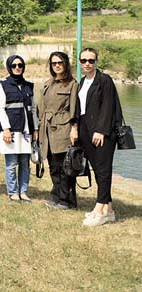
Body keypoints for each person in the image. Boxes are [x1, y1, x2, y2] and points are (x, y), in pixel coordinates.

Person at [77, 48, 120, 226]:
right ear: (79, 62)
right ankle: (109, 210)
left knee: (103, 170)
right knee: (98, 169)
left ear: (96, 62)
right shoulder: (82, 81)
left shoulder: (104, 80)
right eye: (84, 60)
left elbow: (109, 106)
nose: (87, 63)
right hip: (85, 130)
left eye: (91, 60)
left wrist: (101, 130)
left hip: (102, 132)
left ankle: (99, 210)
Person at [36, 51, 79, 210]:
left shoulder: (72, 84)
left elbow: (74, 109)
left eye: (60, 63)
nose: (57, 66)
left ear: (66, 64)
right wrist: (38, 129)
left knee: (65, 167)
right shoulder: (48, 83)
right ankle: (56, 197)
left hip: (63, 129)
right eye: (54, 63)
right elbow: (40, 108)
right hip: (46, 131)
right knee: (53, 166)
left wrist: (74, 128)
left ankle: (66, 201)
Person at [0, 55, 38, 203]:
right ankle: (13, 192)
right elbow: (0, 108)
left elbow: (33, 109)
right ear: (9, 67)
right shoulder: (3, 85)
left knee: (25, 164)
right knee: (11, 164)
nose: (17, 68)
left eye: (20, 65)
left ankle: (23, 191)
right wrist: (6, 129)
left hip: (26, 131)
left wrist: (35, 129)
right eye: (14, 65)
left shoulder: (29, 86)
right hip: (12, 130)